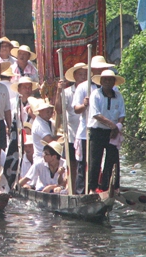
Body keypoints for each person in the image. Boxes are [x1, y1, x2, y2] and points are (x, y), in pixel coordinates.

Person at [72, 55, 114, 194]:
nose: (101, 71)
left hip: (106, 132)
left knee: (104, 163)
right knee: (84, 164)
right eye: (98, 69)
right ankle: (81, 193)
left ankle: (103, 188)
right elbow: (76, 109)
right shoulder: (84, 87)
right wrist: (84, 105)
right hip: (86, 132)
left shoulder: (112, 89)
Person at [88, 70, 126, 193]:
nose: (108, 82)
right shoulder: (95, 94)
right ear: (101, 81)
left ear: (114, 82)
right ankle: (92, 188)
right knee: (95, 160)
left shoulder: (118, 95)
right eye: (105, 80)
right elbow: (95, 114)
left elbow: (122, 114)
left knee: (112, 160)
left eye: (110, 80)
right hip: (97, 131)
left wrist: (117, 127)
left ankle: (109, 187)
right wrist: (111, 125)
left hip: (113, 133)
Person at [54, 62, 87, 193]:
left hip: (86, 135)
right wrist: (58, 91)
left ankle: (85, 190)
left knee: (86, 164)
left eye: (85, 75)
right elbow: (58, 110)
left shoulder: (90, 91)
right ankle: (73, 191)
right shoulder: (67, 92)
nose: (83, 77)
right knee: (72, 165)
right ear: (74, 76)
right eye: (80, 74)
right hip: (72, 135)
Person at [31, 99, 57, 164]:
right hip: (41, 160)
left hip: (48, 159)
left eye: (51, 112)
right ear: (40, 111)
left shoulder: (48, 122)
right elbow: (51, 142)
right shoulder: (39, 125)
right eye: (47, 112)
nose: (50, 114)